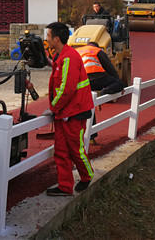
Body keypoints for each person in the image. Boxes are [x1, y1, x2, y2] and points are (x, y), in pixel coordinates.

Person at [42, 21, 95, 196]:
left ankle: (87, 176)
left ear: (56, 39)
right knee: (61, 151)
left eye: (48, 36)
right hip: (66, 112)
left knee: (76, 149)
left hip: (74, 112)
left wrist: (54, 107)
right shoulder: (62, 56)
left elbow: (66, 88)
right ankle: (65, 186)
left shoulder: (68, 58)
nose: (46, 39)